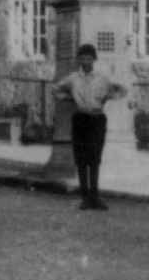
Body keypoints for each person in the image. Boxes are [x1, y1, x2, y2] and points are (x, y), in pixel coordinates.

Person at [53, 43, 125, 210]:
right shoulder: (72, 78)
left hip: (97, 119)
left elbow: (120, 91)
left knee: (94, 158)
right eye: (83, 58)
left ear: (94, 59)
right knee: (81, 159)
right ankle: (85, 196)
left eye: (89, 58)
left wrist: (106, 98)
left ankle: (95, 196)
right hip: (80, 118)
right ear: (78, 60)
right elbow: (55, 90)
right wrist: (70, 98)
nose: (86, 61)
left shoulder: (102, 78)